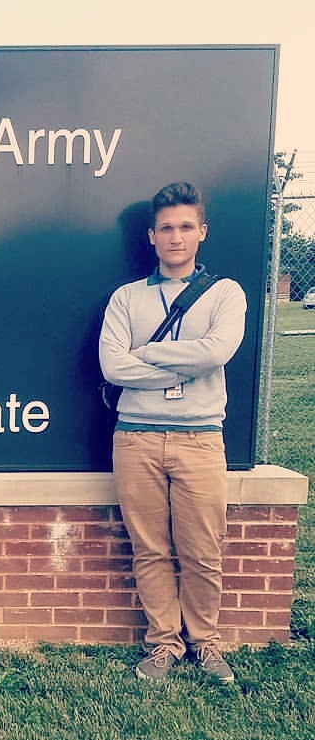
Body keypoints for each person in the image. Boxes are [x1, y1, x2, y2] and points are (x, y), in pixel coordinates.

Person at [98, 182, 247, 682]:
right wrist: (186, 362)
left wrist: (148, 353)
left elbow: (215, 352)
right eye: (167, 228)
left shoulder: (226, 293)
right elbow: (112, 366)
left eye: (186, 227)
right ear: (152, 236)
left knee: (202, 550)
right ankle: (163, 643)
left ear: (201, 232)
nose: (176, 236)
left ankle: (204, 642)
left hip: (200, 439)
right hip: (136, 437)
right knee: (150, 549)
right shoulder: (126, 299)